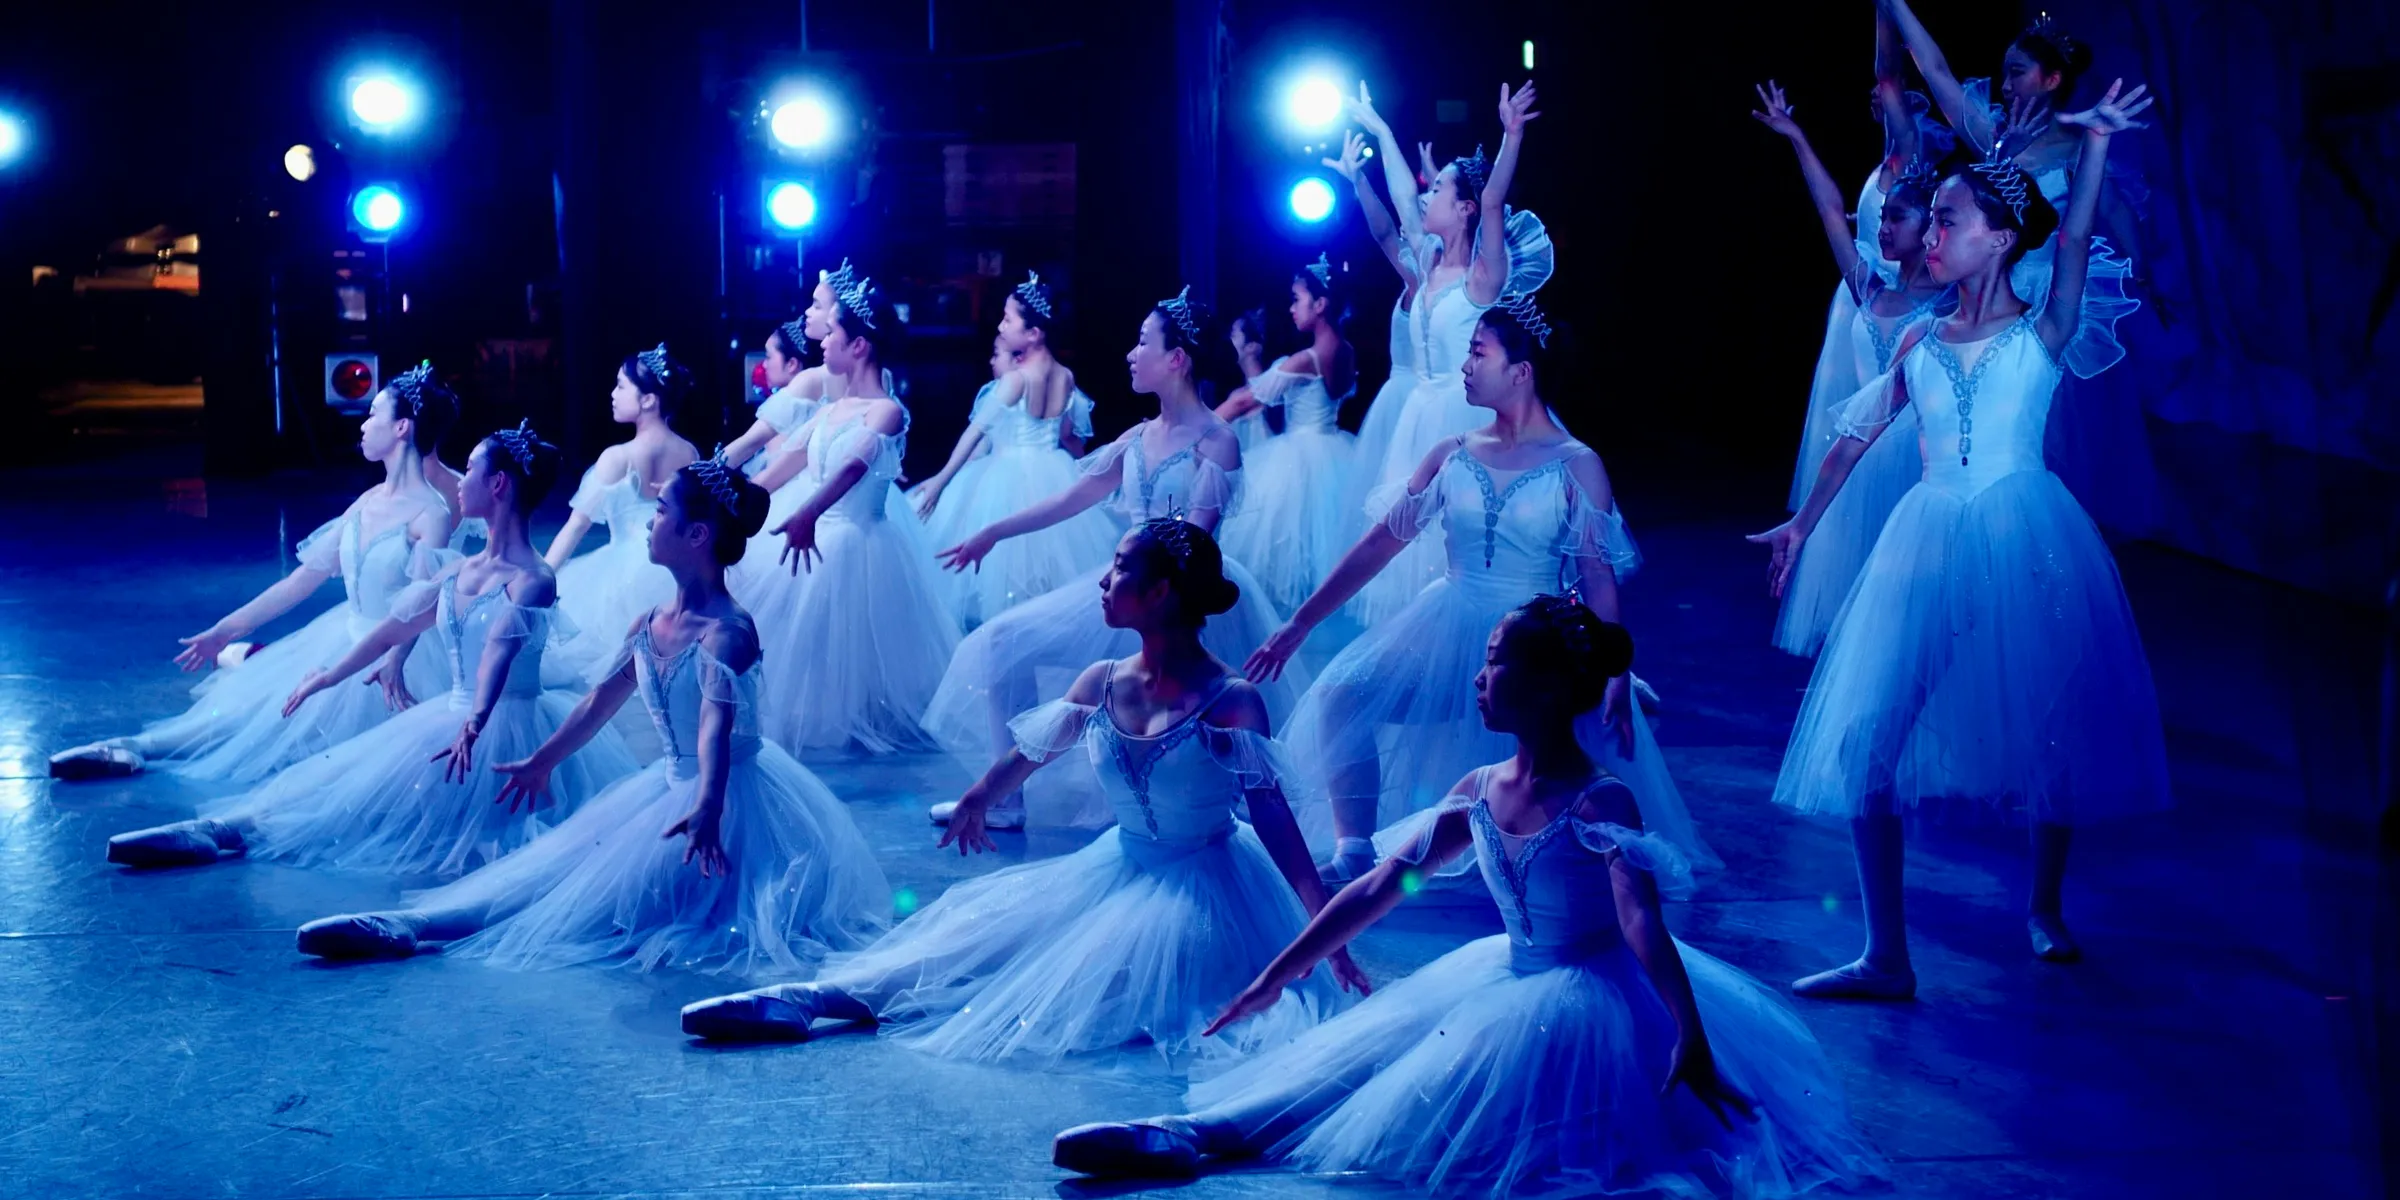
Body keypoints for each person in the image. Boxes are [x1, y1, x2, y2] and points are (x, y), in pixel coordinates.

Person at [1052, 598, 1887, 1197]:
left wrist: (1689, 1034)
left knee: (1494, 1133)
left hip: (1587, 999)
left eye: (1497, 660)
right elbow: (1389, 882)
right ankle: (1196, 1133)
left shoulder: (1599, 804)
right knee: (1374, 1064)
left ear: (1553, 686)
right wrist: (1282, 970)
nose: (1479, 676)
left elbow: (1640, 922)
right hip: (1501, 980)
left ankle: (1207, 1141)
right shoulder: (1479, 790)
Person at [1750, 82, 2169, 995]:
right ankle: (1884, 954)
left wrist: (2092, 149)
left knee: (2048, 733)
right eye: (1929, 220)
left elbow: (2070, 241)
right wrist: (1801, 524)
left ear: (1998, 237)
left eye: (1947, 219)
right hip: (1927, 538)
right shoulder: (1919, 341)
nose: (1928, 235)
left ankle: (2044, 905)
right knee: (1866, 746)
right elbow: (1854, 436)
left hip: (2026, 533)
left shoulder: (2045, 329)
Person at [681, 521, 1365, 1071]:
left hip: (1206, 891)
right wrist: (980, 797)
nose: (1104, 579)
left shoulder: (1231, 702)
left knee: (1087, 991)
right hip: (1115, 868)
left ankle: (830, 1002)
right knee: (984, 948)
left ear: (1160, 593)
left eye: (1121, 566)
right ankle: (813, 998)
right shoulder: (1101, 680)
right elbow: (1032, 752)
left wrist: (1321, 929)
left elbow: (1273, 819)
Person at [292, 457, 889, 975]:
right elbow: (598, 702)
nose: (650, 521)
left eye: (661, 513)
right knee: (558, 877)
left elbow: (715, 729)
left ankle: (422, 930)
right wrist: (543, 760)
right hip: (668, 791)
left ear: (697, 534)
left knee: (599, 910)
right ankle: (419, 922)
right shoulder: (649, 623)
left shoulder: (726, 634)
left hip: (725, 803)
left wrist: (707, 805)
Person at [1249, 297, 1711, 884]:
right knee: (1342, 692)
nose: (1464, 366)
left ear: (1521, 372)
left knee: (1544, 752)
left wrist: (1617, 674)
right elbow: (1378, 544)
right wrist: (1301, 623)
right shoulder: (1452, 453)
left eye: (1477, 353)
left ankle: (1542, 857)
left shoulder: (1577, 464)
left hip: (1536, 634)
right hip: (1449, 614)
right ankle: (1356, 847)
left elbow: (1597, 576)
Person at [104, 423, 639, 875]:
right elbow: (392, 630)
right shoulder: (459, 569)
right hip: (447, 720)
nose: (459, 479)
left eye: (472, 469)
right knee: (341, 786)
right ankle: (222, 828)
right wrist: (330, 676)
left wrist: (475, 723)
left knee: (436, 830)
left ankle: (230, 835)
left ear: (498, 484)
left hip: (506, 727)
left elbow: (499, 653)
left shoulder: (533, 578)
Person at [921, 289, 1304, 831]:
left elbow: (1194, 542)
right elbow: (1071, 498)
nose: (1130, 353)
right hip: (1128, 579)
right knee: (1002, 643)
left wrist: (1132, 577)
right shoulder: (1138, 436)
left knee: (1202, 732)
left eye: (1143, 342)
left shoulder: (1217, 442)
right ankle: (1005, 800)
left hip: (1176, 597)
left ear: (1176, 358)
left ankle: (1208, 819)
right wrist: (993, 531)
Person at [50, 363, 458, 782]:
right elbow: (298, 584)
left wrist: (395, 658)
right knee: (252, 719)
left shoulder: (431, 514)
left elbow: (425, 605)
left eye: (374, 414)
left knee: (324, 763)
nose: (364, 425)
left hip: (392, 656)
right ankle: (135, 746)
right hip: (342, 637)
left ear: (402, 428)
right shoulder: (366, 501)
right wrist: (224, 630)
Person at [1751, 80, 1952, 657]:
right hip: (1854, 457)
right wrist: (1795, 137)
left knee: (1904, 602)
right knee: (1849, 612)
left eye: (1898, 219)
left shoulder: (1946, 305)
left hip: (1911, 462)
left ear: (1932, 229)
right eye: (1883, 216)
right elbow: (1829, 210)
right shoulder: (1869, 287)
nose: (1884, 228)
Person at [1342, 81, 1554, 626]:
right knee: (1416, 554)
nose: (1426, 195)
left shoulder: (1483, 278)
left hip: (1467, 415)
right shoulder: (1426, 266)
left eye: (1437, 189)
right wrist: (1382, 132)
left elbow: (1492, 199)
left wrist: (1511, 136)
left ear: (1461, 209)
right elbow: (1388, 224)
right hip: (1422, 413)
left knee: (1468, 548)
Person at [736, 275, 960, 753]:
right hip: (816, 530)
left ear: (858, 345)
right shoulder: (831, 409)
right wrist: (732, 500)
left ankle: (854, 718)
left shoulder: (885, 410)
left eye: (833, 331)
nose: (824, 339)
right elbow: (785, 464)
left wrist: (808, 512)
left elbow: (852, 468)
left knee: (846, 639)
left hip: (854, 538)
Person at [910, 274, 1114, 628]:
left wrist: (941, 481)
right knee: (1045, 577)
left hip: (1007, 477)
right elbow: (1068, 436)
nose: (1001, 326)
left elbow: (976, 432)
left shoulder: (1016, 378)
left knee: (999, 579)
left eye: (1008, 319)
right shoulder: (1065, 376)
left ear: (1034, 333)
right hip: (1053, 472)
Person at [540, 344, 700, 686]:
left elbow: (575, 528)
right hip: (670, 572)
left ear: (649, 400)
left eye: (621, 386)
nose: (613, 395)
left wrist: (540, 577)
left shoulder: (618, 457)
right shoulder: (688, 452)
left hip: (620, 578)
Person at [1218, 254, 1363, 613]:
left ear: (1320, 304)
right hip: (1333, 447)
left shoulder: (1306, 359)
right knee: (1323, 551)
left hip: (1299, 454)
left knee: (1280, 551)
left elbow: (1244, 402)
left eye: (1297, 299)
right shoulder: (1346, 351)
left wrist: (1194, 428)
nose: (1291, 308)